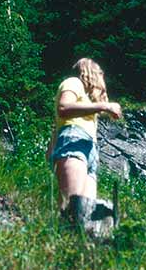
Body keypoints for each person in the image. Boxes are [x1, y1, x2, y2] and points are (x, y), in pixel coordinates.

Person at [48, 58, 122, 223]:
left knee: (85, 215)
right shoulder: (73, 82)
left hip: (89, 148)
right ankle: (60, 243)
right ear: (91, 74)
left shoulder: (86, 99)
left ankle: (75, 244)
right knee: (72, 207)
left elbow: (57, 128)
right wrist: (104, 106)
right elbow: (63, 108)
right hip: (75, 140)